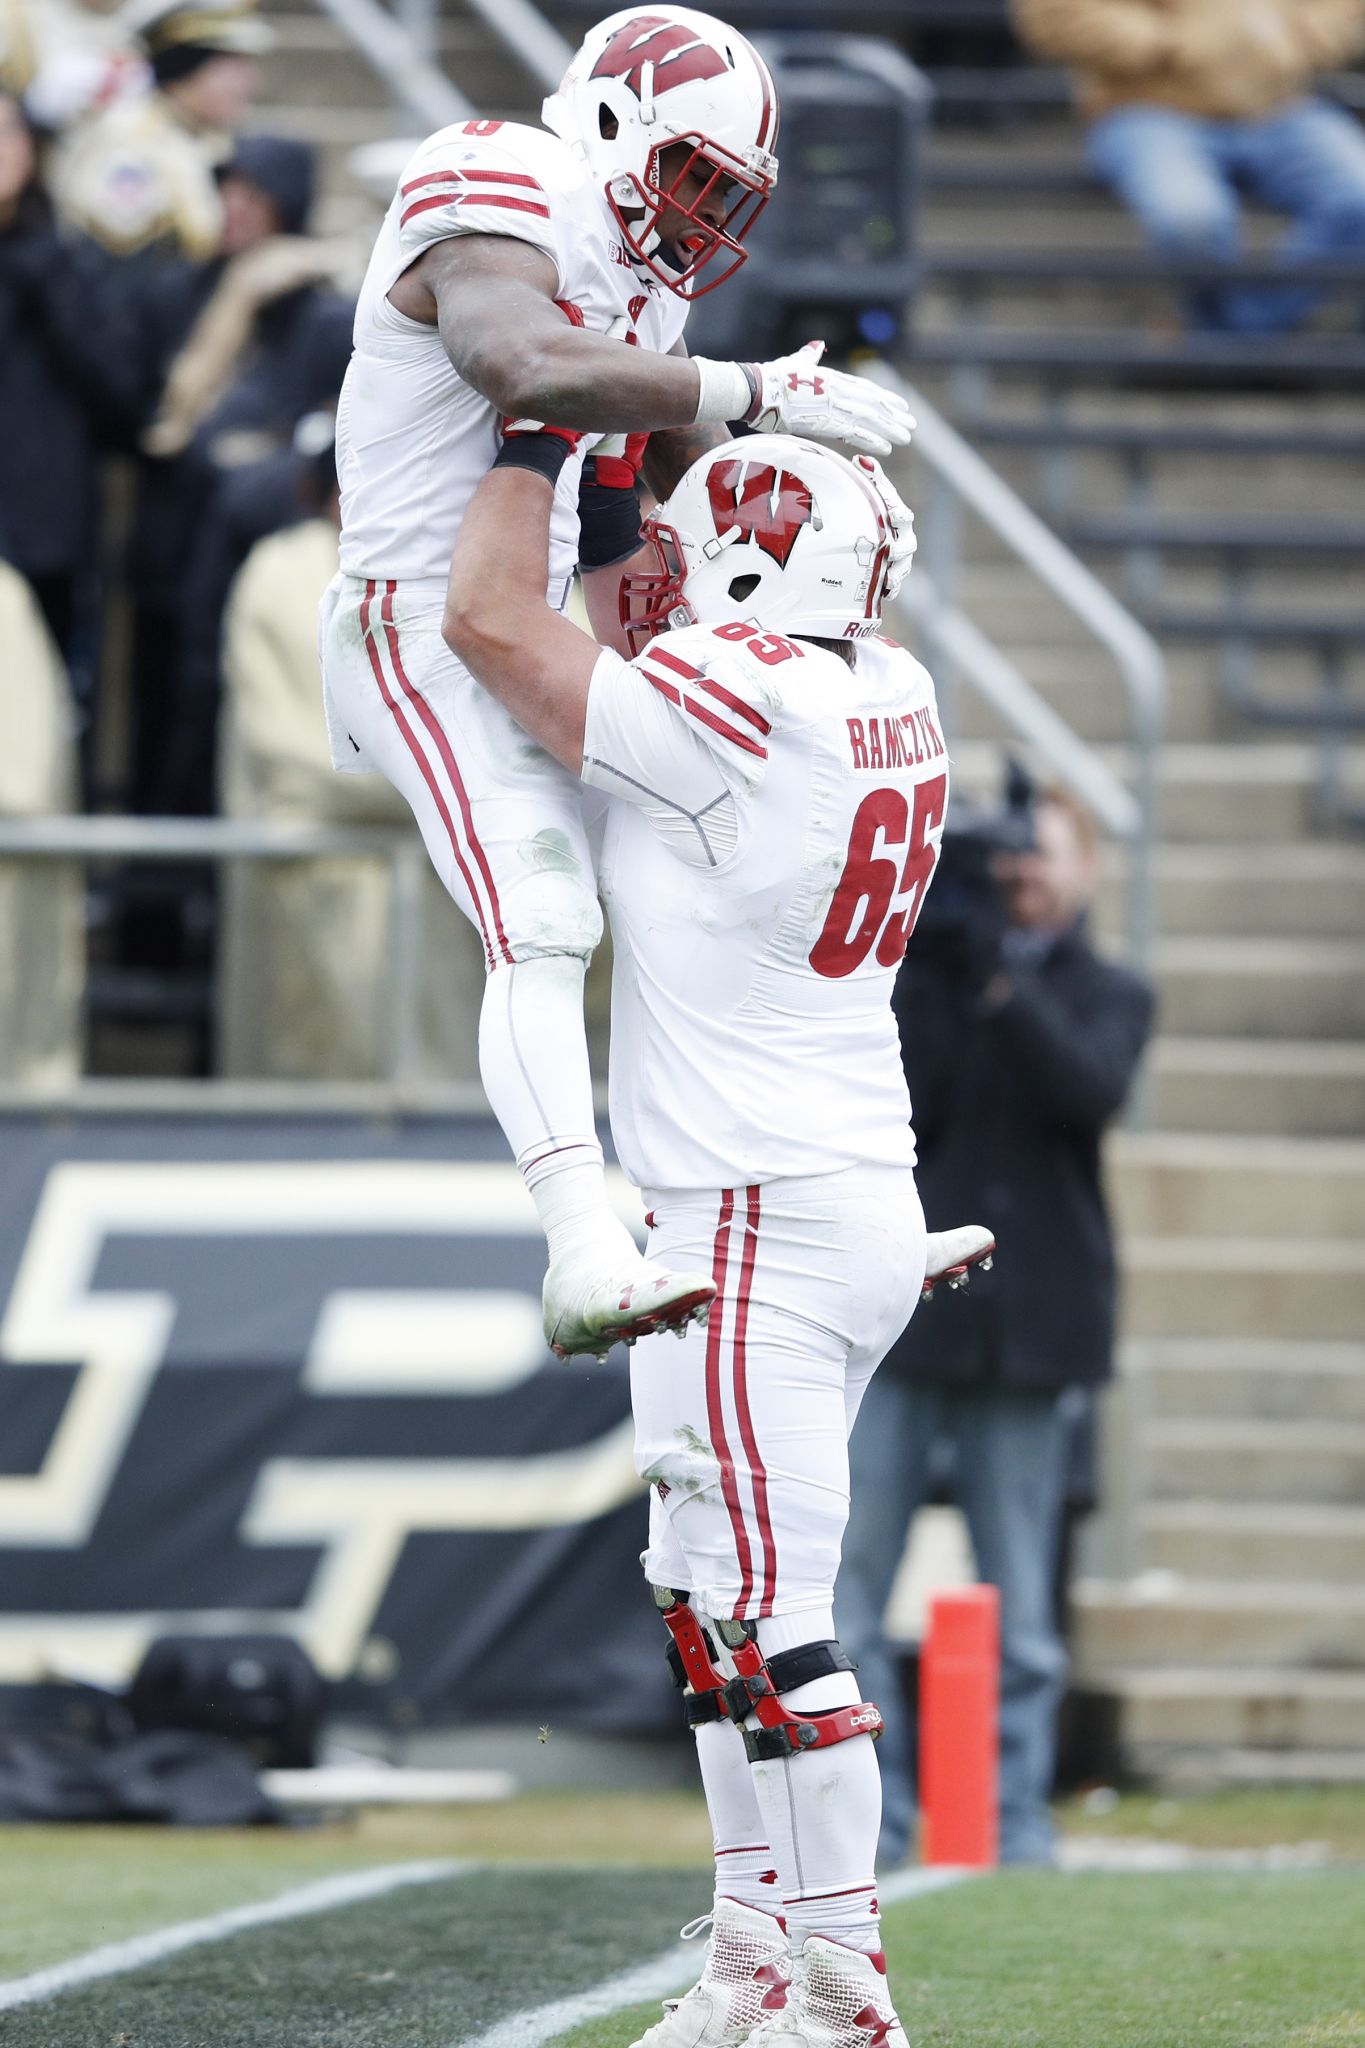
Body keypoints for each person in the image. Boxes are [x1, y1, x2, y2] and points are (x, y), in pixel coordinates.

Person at [438, 426, 991, 2048]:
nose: (662, 573)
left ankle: (847, 1984)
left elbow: (488, 621)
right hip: (803, 1191)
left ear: (764, 562)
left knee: (774, 1609)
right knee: (698, 1591)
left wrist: (542, 429)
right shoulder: (882, 682)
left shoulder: (737, 701)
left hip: (757, 1211)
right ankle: (755, 1946)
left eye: (693, 545)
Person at [320, 3, 915, 1360]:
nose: (700, 221)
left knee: (719, 860)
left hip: (545, 601)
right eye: (692, 178)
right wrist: (750, 392)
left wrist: (744, 588)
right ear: (606, 120)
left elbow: (616, 493)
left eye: (727, 198)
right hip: (415, 621)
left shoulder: (645, 274)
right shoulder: (493, 176)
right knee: (544, 913)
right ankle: (583, 1246)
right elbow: (516, 361)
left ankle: (824, 1193)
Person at [836, 784, 1156, 1867]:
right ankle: (867, 1818)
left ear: (1088, 869)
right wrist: (939, 961)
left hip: (1032, 1328)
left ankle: (1013, 1816)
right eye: (1005, 858)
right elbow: (901, 1104)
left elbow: (1087, 1088)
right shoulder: (922, 975)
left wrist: (1000, 979)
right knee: (852, 1583)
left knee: (1018, 1593)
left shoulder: (1111, 988)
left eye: (1041, 855)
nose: (1019, 874)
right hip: (907, 1315)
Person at [218, 416, 483, 1080]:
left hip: (440, 881)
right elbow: (298, 757)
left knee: (443, 1074)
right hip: (320, 869)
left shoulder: (458, 569)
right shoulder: (285, 571)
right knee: (316, 1073)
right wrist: (464, 790)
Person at [1011, 0, 1365, 333]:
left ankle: (1223, 341)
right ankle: (1242, 347)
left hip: (1280, 107)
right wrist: (1170, 44)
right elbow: (1055, 12)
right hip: (1146, 109)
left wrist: (1303, 40)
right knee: (1189, 220)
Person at [52, 0, 269, 262]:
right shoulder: (129, 144)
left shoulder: (201, 137)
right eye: (232, 66)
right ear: (183, 72)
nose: (248, 81)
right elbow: (125, 274)